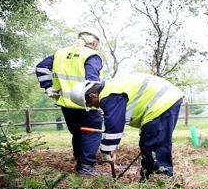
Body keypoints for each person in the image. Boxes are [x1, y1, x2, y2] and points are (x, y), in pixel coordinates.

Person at [83, 73, 184, 180]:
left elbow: (114, 126)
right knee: (150, 142)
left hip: (162, 102)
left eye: (90, 104)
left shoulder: (109, 96)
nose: (94, 106)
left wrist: (106, 150)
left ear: (93, 95)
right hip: (165, 100)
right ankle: (150, 178)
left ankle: (160, 179)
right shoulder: (112, 90)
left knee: (155, 144)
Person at [35, 31, 104, 176]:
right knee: (91, 133)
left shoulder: (60, 53)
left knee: (78, 132)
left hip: (66, 103)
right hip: (86, 104)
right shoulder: (90, 55)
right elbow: (93, 81)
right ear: (93, 44)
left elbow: (41, 67)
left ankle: (80, 160)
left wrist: (47, 86)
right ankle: (86, 168)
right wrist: (99, 103)